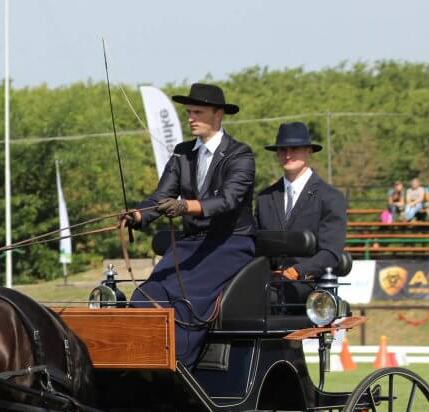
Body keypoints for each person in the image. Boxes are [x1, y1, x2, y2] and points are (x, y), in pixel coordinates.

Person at [119, 82, 256, 365]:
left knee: (186, 297)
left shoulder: (240, 155)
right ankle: (138, 362)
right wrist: (139, 215)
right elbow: (161, 196)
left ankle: (178, 363)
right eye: (189, 112)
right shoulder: (183, 153)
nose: (191, 118)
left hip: (230, 243)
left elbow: (228, 200)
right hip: (191, 244)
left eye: (198, 112)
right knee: (147, 294)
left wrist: (185, 207)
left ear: (218, 115)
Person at [255, 122, 347, 288]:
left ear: (309, 151)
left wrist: (297, 271)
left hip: (311, 289)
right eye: (283, 150)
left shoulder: (331, 198)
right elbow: (257, 245)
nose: (288, 155)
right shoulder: (264, 199)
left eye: (294, 148)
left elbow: (331, 252)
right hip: (267, 289)